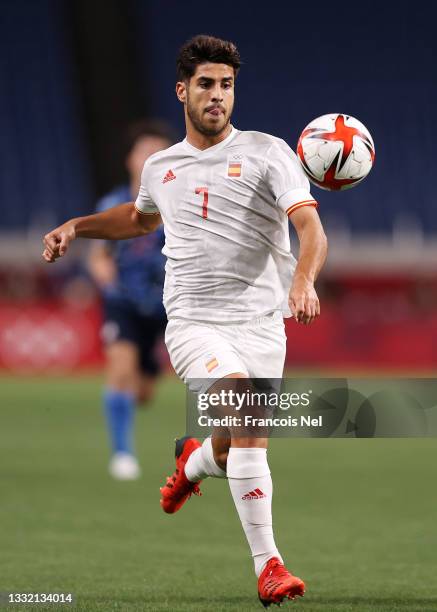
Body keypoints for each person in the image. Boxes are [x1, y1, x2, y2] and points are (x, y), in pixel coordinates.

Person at [42, 35, 327, 607]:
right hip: (195, 321)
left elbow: (311, 229)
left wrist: (303, 279)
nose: (218, 96)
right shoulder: (161, 166)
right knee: (246, 418)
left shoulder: (271, 152)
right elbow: (138, 218)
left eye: (226, 85)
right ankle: (269, 566)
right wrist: (78, 225)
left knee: (233, 449)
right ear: (183, 90)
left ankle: (194, 462)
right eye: (206, 84)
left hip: (263, 324)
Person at [88, 121, 174, 480]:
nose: (151, 157)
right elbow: (98, 254)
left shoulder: (180, 207)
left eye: (159, 151)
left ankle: (150, 362)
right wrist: (104, 272)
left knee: (143, 392)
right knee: (120, 369)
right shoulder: (112, 204)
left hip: (168, 304)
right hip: (123, 300)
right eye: (145, 150)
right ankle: (122, 453)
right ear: (130, 160)